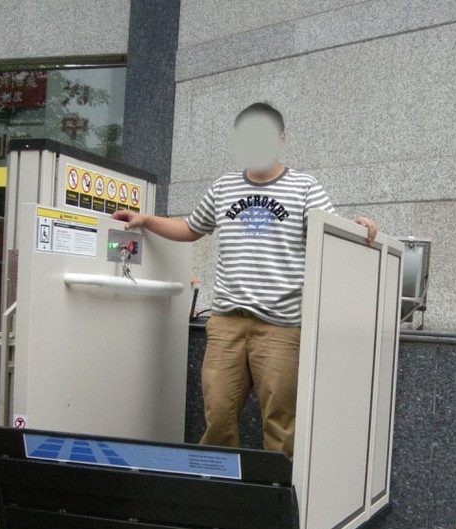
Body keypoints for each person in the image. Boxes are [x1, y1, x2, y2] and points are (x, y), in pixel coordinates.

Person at [113, 102, 377, 459]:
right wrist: (146, 219)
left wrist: (360, 229)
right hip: (226, 323)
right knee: (218, 416)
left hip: (281, 326)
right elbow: (191, 228)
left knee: (281, 424)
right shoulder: (224, 186)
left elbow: (331, 234)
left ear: (281, 139)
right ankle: (219, 486)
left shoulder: (304, 187)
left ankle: (277, 492)